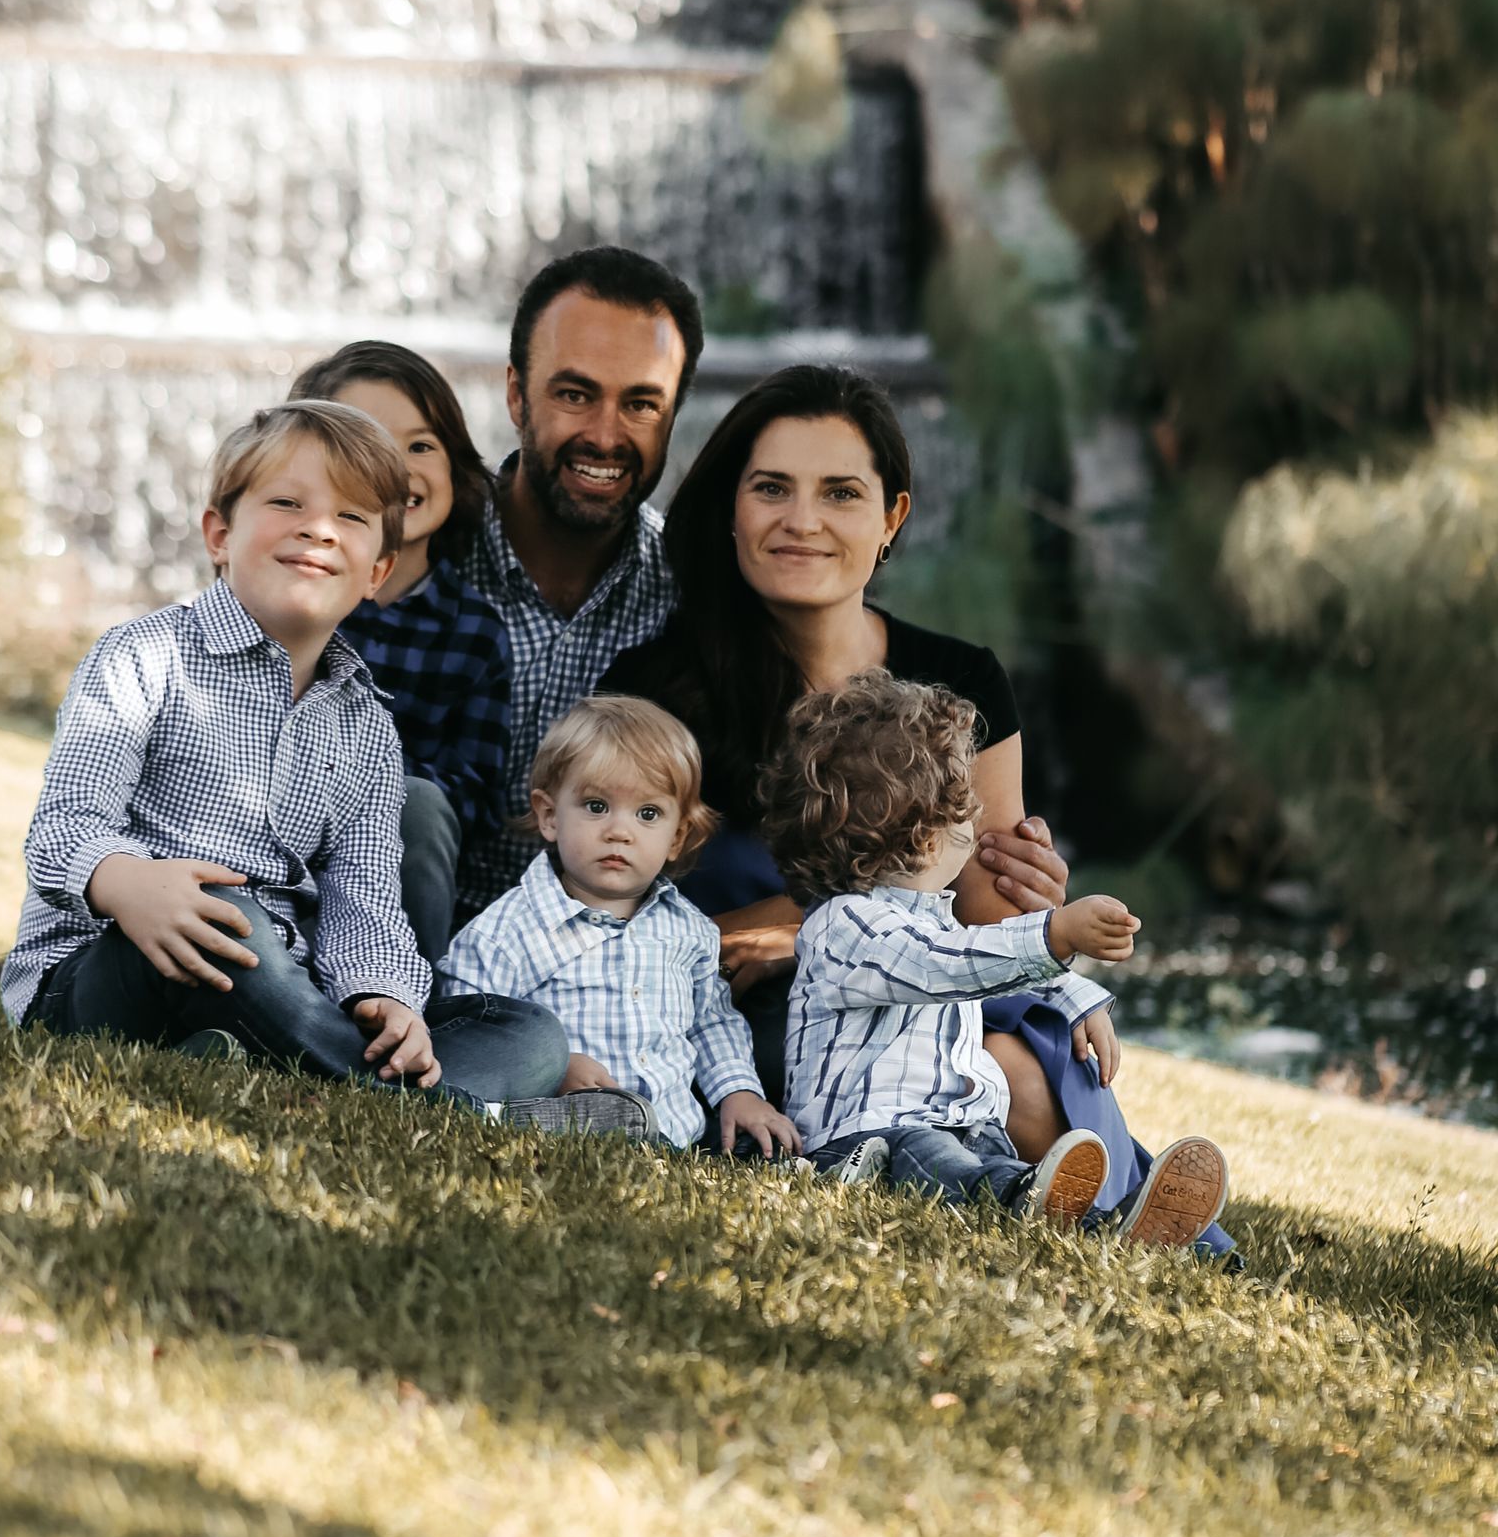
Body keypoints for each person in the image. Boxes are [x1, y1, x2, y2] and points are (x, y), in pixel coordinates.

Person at [602, 361, 1237, 1252]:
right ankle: (1094, 1221)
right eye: (772, 488)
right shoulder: (657, 690)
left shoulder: (961, 682)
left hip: (939, 972)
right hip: (754, 1013)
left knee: (1019, 1055)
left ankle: (1126, 1224)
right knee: (1000, 1072)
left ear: (891, 515)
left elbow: (976, 904)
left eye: (841, 492)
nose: (803, 520)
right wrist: (799, 927)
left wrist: (1042, 931)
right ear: (731, 506)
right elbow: (604, 906)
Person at [4, 398, 618, 1128]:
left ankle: (253, 1069)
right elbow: (63, 827)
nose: (319, 528)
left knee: (528, 1032)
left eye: (352, 518)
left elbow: (364, 899)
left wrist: (382, 997)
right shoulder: (144, 658)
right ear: (219, 535)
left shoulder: (366, 728)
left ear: (377, 572)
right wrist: (125, 882)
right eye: (287, 502)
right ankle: (450, 1112)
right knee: (229, 918)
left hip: (279, 998)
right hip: (110, 975)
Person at [761, 670, 1233, 1246]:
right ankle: (1036, 1203)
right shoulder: (846, 925)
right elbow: (949, 965)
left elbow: (976, 965)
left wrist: (1073, 993)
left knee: (984, 1158)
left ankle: (1121, 1226)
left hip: (960, 1128)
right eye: (965, 806)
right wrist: (1055, 934)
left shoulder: (931, 916)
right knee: (955, 1165)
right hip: (868, 1141)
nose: (977, 818)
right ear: (925, 835)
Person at [441, 695, 800, 1158]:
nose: (619, 831)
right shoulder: (506, 931)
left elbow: (711, 1023)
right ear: (550, 816)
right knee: (587, 1116)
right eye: (595, 806)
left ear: (677, 837)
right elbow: (469, 1033)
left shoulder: (689, 932)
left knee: (761, 1145)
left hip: (675, 1133)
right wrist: (554, 1067)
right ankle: (524, 1122)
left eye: (647, 814)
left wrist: (739, 1093)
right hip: (565, 1114)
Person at [457, 245, 702, 919]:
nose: (604, 435)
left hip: (604, 977)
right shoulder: (417, 559)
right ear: (515, 393)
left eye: (641, 405)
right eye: (574, 394)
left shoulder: (697, 601)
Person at [288, 340, 511, 962]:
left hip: (394, 874)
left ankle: (399, 1004)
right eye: (369, 445)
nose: (400, 469)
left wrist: (365, 789)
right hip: (269, 844)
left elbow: (475, 795)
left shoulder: (474, 632)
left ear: (455, 467)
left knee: (420, 801)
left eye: (421, 446)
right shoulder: (284, 596)